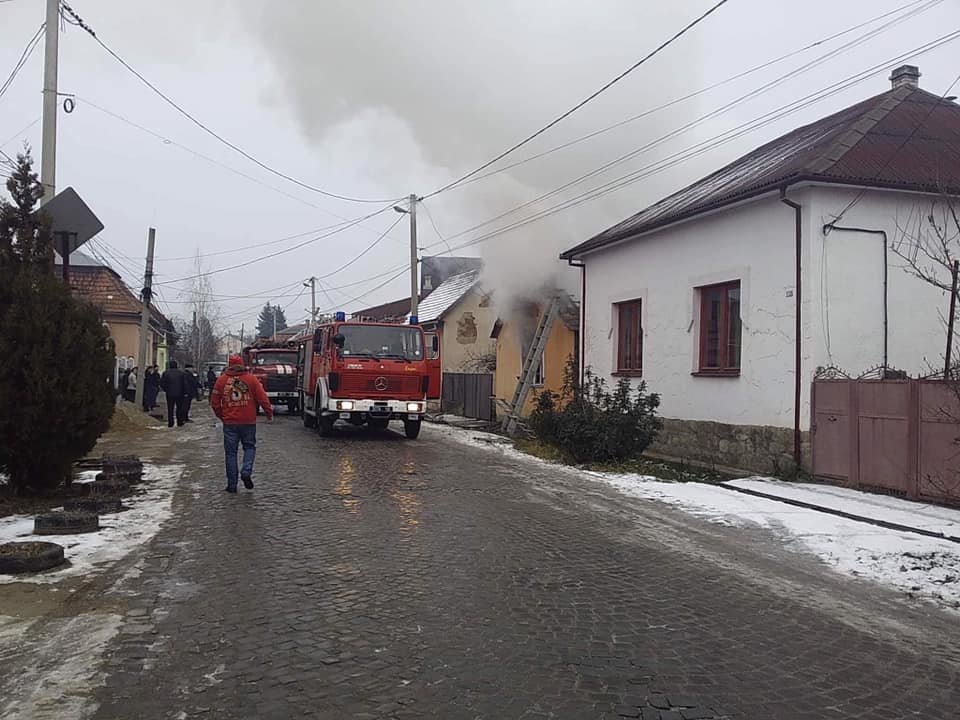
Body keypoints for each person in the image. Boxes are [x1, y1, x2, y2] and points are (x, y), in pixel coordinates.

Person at [210, 354, 273, 493]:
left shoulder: (222, 381)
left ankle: (232, 485)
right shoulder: (251, 379)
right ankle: (246, 470)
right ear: (242, 364)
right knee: (249, 447)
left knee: (231, 453)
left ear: (229, 364)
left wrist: (222, 416)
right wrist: (269, 414)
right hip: (248, 421)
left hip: (230, 422)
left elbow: (214, 403)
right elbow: (263, 398)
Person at [160, 360, 187, 428]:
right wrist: (185, 392)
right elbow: (184, 384)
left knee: (170, 408)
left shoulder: (165, 373)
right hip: (180, 394)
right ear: (176, 365)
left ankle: (170, 423)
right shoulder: (181, 373)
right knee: (179, 408)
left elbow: (162, 383)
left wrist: (166, 389)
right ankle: (179, 422)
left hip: (169, 394)